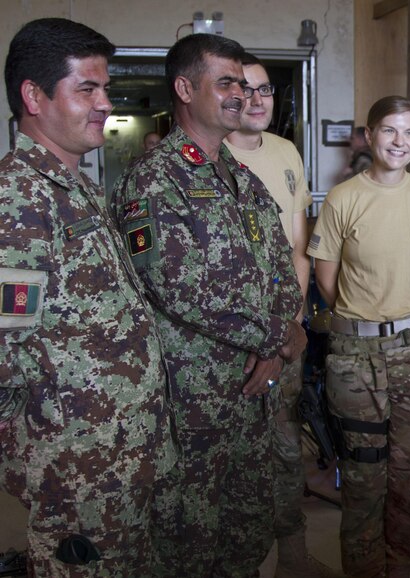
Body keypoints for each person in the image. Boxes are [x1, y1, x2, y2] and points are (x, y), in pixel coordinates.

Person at [111, 34, 306, 577]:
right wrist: (277, 338)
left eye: (243, 84)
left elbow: (281, 263)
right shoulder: (153, 180)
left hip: (252, 395)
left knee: (246, 535)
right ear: (184, 88)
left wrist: (284, 331)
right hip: (192, 405)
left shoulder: (241, 180)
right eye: (225, 83)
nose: (240, 94)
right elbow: (177, 286)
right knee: (187, 543)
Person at [0, 18, 176, 575]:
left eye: (105, 89)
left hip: (119, 458)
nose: (105, 103)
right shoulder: (19, 199)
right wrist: (43, 469)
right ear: (34, 95)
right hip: (78, 471)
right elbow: (5, 354)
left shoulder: (73, 185)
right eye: (87, 89)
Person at [307, 95, 410, 578]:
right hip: (356, 354)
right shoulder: (344, 198)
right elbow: (326, 276)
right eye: (390, 130)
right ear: (369, 136)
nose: (400, 141)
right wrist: (363, 317)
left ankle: (403, 568)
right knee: (364, 477)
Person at [224, 53, 340, 578]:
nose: (256, 100)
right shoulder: (207, 158)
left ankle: (292, 560)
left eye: (265, 90)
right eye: (243, 90)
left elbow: (299, 246)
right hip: (226, 341)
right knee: (227, 461)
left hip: (284, 330)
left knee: (286, 449)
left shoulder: (287, 152)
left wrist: (290, 322)